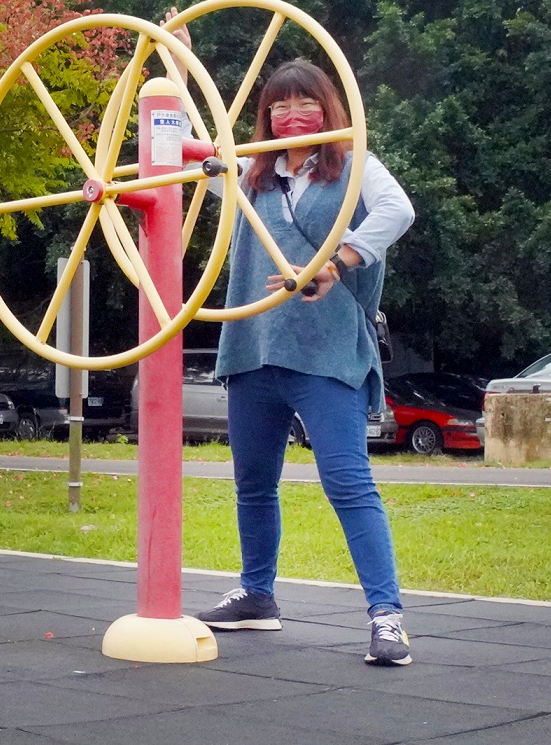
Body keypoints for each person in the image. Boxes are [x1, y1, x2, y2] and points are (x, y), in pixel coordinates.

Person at [194, 58, 418, 666]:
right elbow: (199, 148)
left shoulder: (353, 166)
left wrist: (337, 262)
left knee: (347, 482)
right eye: (279, 106)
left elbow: (399, 211)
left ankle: (387, 616)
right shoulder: (252, 174)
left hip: (323, 351)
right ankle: (257, 595)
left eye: (306, 104)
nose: (293, 117)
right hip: (254, 347)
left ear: (329, 109)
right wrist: (175, 56)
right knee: (252, 484)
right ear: (265, 114)